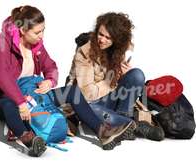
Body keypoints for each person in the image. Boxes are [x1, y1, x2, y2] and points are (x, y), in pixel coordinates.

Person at [0, 6, 135, 157]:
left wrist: (50, 81)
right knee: (10, 106)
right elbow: (1, 75)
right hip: (1, 97)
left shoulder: (36, 45)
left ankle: (103, 132)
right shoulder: (2, 44)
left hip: (32, 94)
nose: (41, 36)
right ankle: (30, 140)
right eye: (37, 32)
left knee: (72, 92)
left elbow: (50, 66)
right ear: (23, 30)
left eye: (43, 30)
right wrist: (21, 103)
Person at [67, 12, 164, 141]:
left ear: (116, 40)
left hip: (108, 99)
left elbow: (122, 83)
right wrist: (112, 81)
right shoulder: (84, 53)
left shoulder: (117, 51)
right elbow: (87, 93)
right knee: (89, 107)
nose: (102, 39)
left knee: (136, 75)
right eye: (100, 34)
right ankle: (132, 125)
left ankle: (122, 118)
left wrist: (123, 75)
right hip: (88, 101)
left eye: (108, 37)